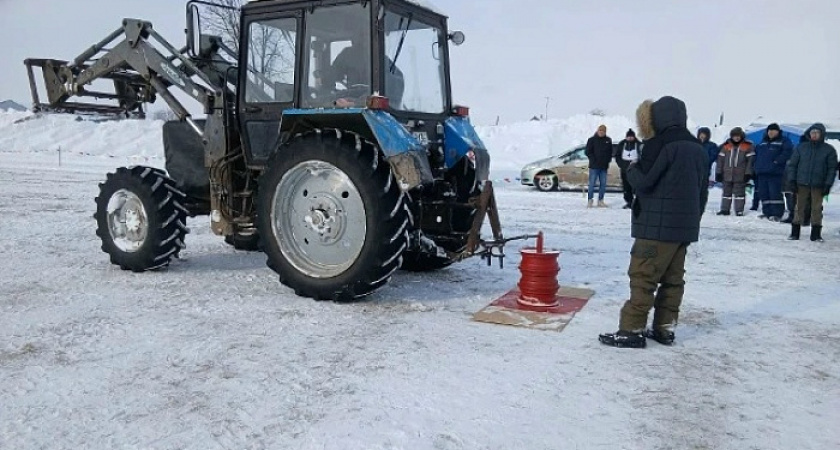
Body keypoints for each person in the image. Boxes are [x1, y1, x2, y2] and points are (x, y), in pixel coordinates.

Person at [599, 96, 709, 348]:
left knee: (643, 276)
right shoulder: (697, 147)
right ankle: (664, 328)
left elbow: (643, 181)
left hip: (655, 227)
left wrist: (631, 168)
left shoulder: (658, 144)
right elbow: (702, 191)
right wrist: (692, 219)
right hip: (685, 227)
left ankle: (631, 329)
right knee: (673, 279)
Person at [786, 123, 837, 242]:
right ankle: (794, 233)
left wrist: (828, 184)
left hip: (818, 185)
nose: (814, 135)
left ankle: (816, 234)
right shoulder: (801, 148)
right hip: (801, 183)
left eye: (817, 133)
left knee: (816, 209)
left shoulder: (828, 150)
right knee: (799, 207)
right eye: (812, 133)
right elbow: (793, 165)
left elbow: (831, 169)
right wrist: (792, 180)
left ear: (822, 134)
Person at [753, 123, 794, 221]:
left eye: (773, 130)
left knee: (774, 194)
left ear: (778, 131)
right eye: (769, 130)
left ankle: (777, 213)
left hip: (775, 173)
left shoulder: (784, 141)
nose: (771, 132)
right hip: (762, 172)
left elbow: (788, 152)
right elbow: (757, 155)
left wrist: (777, 161)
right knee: (764, 194)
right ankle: (767, 212)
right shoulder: (762, 143)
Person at [715, 127, 755, 216]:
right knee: (726, 193)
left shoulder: (747, 146)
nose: (736, 138)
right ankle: (725, 209)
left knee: (739, 194)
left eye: (738, 136)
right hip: (727, 174)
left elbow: (750, 162)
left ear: (742, 136)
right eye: (734, 136)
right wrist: (718, 172)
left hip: (740, 174)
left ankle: (739, 210)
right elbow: (720, 160)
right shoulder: (726, 146)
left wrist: (748, 173)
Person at [585, 125, 613, 208]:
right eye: (600, 131)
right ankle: (590, 200)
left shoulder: (608, 140)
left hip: (604, 167)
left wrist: (608, 160)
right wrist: (593, 160)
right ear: (597, 131)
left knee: (603, 184)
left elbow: (610, 152)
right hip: (594, 167)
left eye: (603, 131)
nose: (601, 132)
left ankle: (600, 201)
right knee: (592, 184)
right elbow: (587, 152)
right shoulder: (591, 140)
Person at [614, 129, 641, 208]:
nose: (629, 138)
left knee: (637, 186)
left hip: (636, 170)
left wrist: (637, 164)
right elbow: (617, 156)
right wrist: (621, 165)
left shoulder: (638, 144)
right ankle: (629, 202)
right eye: (628, 137)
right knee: (626, 187)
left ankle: (638, 202)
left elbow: (642, 155)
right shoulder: (622, 144)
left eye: (631, 137)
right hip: (624, 170)